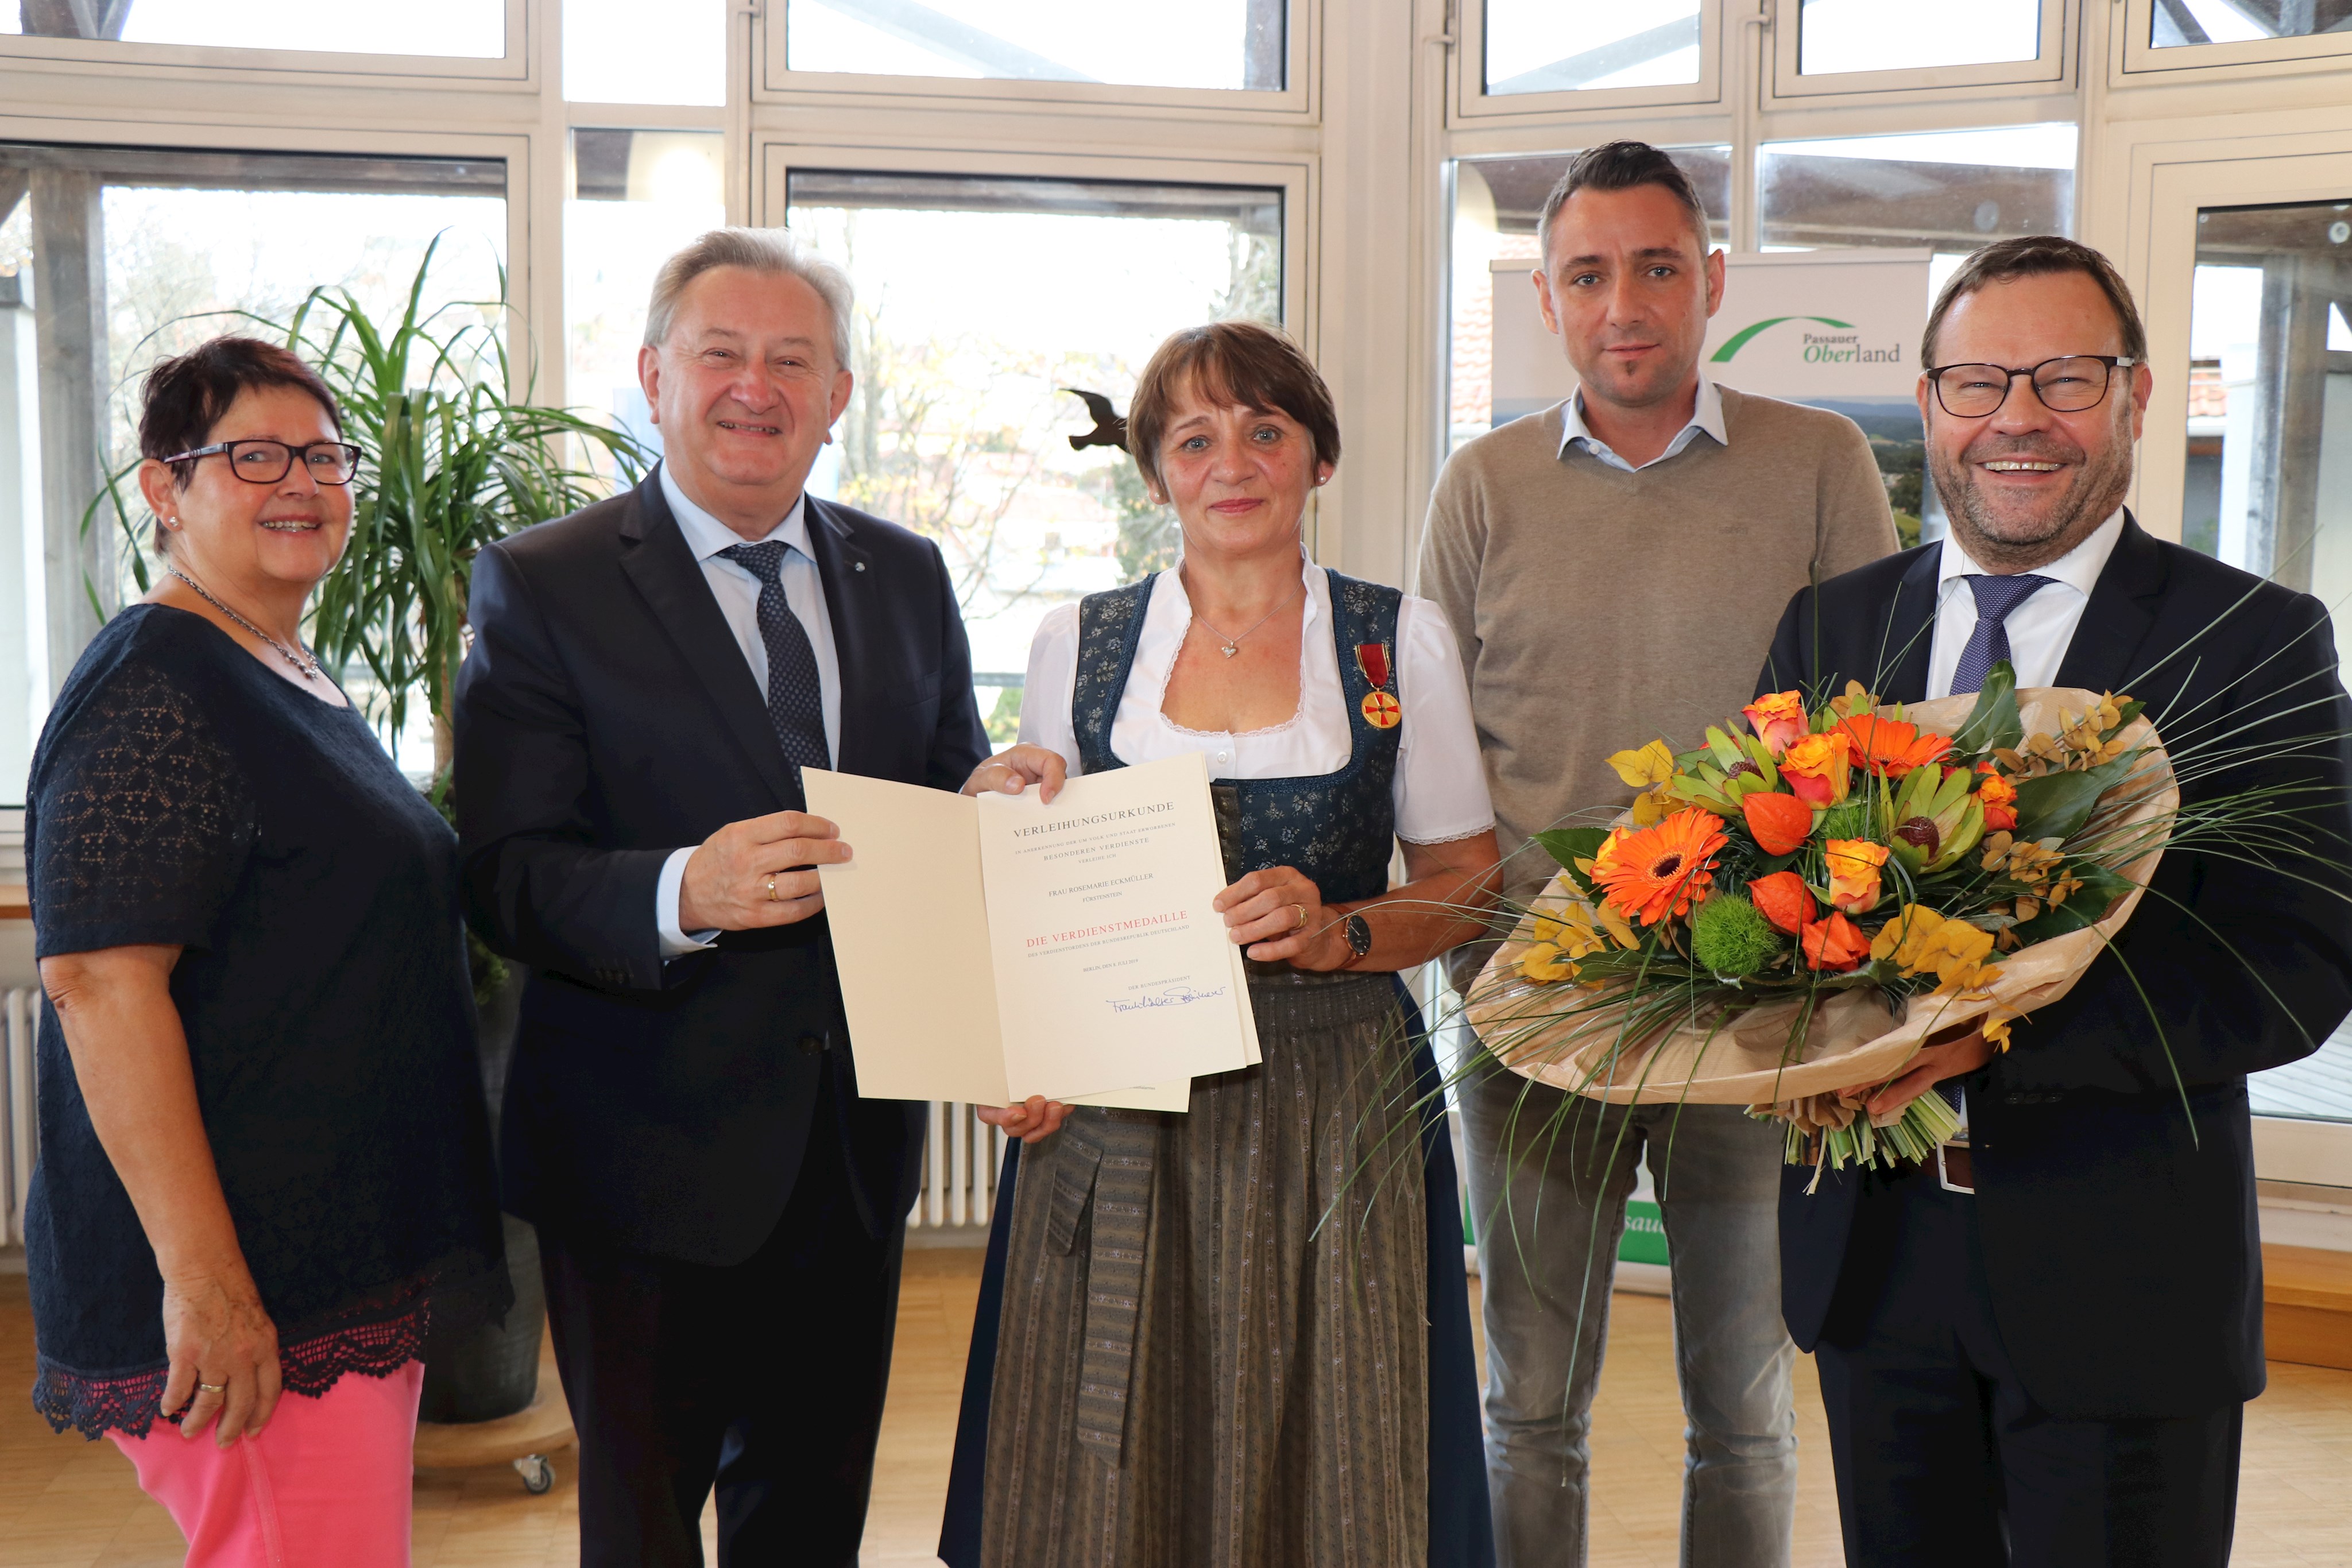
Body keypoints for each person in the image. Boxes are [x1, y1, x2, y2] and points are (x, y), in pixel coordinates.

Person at [1758, 235, 2352, 1566]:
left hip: (2121, 1273)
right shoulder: (1829, 629)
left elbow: (2295, 961)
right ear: (1927, 407)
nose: (2015, 416)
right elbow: (1767, 884)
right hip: (1874, 1263)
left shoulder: (2249, 639)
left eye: (2062, 377)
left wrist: (2004, 1037)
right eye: (1976, 380)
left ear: (2135, 399)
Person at [452, 227, 988, 1567]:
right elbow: (507, 875)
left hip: (851, 1152)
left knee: (809, 1516)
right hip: (640, 1158)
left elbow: (944, 798)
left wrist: (1005, 806)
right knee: (643, 1526)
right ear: (652, 374)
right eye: (721, 354)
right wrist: (685, 888)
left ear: (836, 396)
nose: (757, 386)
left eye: (791, 359)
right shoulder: (544, 579)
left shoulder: (905, 574)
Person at [940, 319, 1501, 1568]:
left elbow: (1467, 888)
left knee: (1340, 1436)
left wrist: (1341, 926)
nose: (1230, 461)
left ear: (1318, 459)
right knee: (1108, 1441)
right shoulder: (1070, 646)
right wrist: (996, 828)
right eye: (1193, 438)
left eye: (1265, 428)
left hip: (1336, 1088)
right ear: (1154, 476)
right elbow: (1036, 903)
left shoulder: (1396, 643)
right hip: (1120, 1093)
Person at [1415, 140, 1898, 1567]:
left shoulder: (1818, 461)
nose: (1621, 303)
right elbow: (1430, 739)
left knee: (1743, 1406)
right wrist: (1467, 947)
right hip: (1532, 1014)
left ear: (1711, 283)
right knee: (1528, 1406)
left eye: (1653, 268)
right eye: (1585, 274)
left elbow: (1873, 729)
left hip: (1753, 1019)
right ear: (1547, 301)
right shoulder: (1482, 483)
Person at [24, 336, 508, 1566]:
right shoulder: (155, 678)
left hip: (327, 1250)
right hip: (251, 1280)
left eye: (324, 456)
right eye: (250, 455)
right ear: (164, 487)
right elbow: (96, 980)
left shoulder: (277, 663)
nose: (300, 481)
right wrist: (208, 1285)